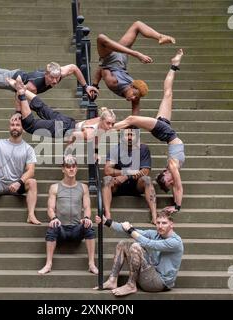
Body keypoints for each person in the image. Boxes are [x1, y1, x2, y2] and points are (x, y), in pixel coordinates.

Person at [113, 49, 184, 214]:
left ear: (165, 175)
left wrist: (177, 205)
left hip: (166, 134)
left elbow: (178, 188)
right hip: (168, 132)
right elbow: (178, 187)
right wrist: (177, 206)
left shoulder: (172, 167)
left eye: (168, 182)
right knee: (168, 94)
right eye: (169, 183)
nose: (171, 181)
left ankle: (106, 128)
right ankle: (174, 65)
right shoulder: (173, 170)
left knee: (132, 120)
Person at [93, 21, 175, 115]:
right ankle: (153, 41)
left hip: (120, 61)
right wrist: (95, 85)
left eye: (136, 97)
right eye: (134, 95)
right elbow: (101, 67)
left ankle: (160, 37)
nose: (133, 98)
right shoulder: (113, 82)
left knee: (137, 25)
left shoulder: (136, 92)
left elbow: (135, 114)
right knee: (101, 38)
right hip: (110, 58)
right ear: (132, 86)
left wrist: (133, 128)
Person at [95, 211, 183, 297]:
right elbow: (134, 232)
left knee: (136, 247)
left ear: (171, 224)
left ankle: (131, 285)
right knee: (122, 244)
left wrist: (130, 229)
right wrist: (106, 222)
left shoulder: (175, 242)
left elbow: (149, 243)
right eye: (158, 223)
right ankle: (112, 280)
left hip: (159, 283)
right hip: (148, 275)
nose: (160, 226)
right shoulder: (155, 234)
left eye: (164, 223)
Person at [7, 76, 116, 144]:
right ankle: (21, 92)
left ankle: (21, 88)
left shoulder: (99, 121)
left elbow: (97, 137)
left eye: (112, 124)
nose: (110, 126)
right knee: (29, 126)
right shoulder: (91, 133)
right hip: (63, 129)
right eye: (109, 123)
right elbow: (72, 136)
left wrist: (96, 151)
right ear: (102, 120)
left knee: (42, 107)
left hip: (67, 120)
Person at [38, 155, 98, 275]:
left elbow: (87, 207)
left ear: (77, 168)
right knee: (52, 227)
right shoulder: (54, 187)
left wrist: (86, 218)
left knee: (89, 227)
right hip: (61, 229)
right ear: (63, 169)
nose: (71, 169)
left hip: (77, 229)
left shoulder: (83, 187)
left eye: (73, 166)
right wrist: (54, 218)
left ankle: (91, 264)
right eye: (68, 166)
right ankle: (48, 264)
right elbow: (50, 208)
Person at [102, 128, 157, 224]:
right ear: (122, 137)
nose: (130, 137)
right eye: (127, 135)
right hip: (118, 185)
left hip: (136, 185)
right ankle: (107, 215)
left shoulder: (143, 149)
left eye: (133, 135)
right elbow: (107, 170)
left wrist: (127, 176)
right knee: (107, 180)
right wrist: (127, 172)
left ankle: (154, 215)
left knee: (147, 179)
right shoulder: (115, 149)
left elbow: (145, 171)